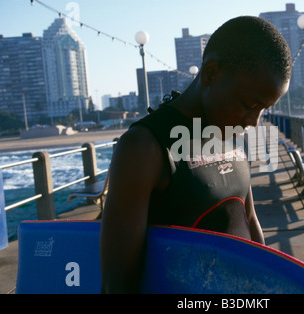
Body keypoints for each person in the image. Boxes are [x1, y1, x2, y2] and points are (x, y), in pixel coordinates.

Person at [100, 16, 292, 293]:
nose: (254, 122)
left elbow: (249, 219)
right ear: (211, 73)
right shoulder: (145, 147)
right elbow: (117, 284)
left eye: (264, 109)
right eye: (250, 104)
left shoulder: (230, 132)